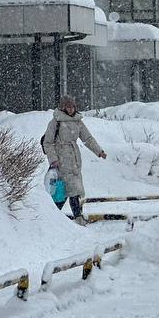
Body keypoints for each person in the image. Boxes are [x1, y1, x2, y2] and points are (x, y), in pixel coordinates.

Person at [41, 96, 107, 224]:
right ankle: (71, 217)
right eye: (68, 107)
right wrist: (53, 159)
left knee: (70, 190)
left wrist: (99, 151)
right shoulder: (56, 121)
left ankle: (60, 217)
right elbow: (47, 143)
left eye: (72, 107)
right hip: (61, 160)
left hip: (75, 160)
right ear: (63, 107)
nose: (70, 109)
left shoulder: (77, 121)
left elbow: (87, 138)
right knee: (68, 190)